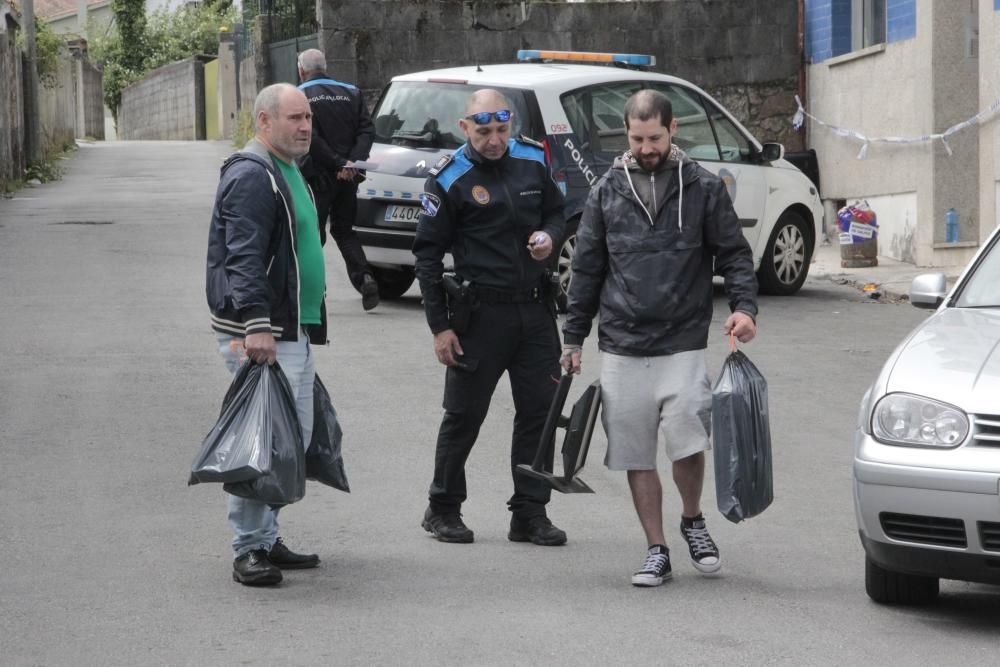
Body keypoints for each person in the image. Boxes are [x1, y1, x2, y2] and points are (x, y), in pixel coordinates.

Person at [560, 89, 758, 587]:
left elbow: (734, 254)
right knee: (634, 452)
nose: (646, 147)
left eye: (654, 137)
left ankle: (692, 520)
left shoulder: (705, 188)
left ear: (672, 131)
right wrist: (572, 339)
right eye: (636, 138)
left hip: (683, 340)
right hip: (623, 344)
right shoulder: (606, 191)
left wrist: (744, 308)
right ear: (625, 135)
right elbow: (585, 270)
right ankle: (656, 549)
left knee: (687, 441)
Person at [412, 89, 568, 546]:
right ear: (465, 128)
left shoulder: (534, 159)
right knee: (463, 416)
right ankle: (442, 507)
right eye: (484, 131)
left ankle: (530, 512)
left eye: (502, 130)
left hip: (536, 310)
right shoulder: (448, 179)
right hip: (478, 317)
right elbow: (426, 257)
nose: (494, 140)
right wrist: (439, 327)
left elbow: (559, 212)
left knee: (539, 415)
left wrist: (548, 236)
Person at [206, 83, 327, 586]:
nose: (304, 127)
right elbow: (244, 255)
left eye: (308, 119)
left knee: (287, 440)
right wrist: (257, 323)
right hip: (261, 332)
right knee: (262, 441)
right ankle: (247, 549)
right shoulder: (253, 175)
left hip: (289, 328)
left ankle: (265, 536)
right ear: (263, 121)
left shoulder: (288, 169)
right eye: (294, 118)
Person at [296, 48, 379, 311]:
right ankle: (365, 277)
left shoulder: (300, 96)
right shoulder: (352, 92)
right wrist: (352, 163)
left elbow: (311, 137)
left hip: (318, 177)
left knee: (312, 234)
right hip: (348, 177)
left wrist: (337, 162)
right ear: (326, 66)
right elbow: (366, 130)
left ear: (301, 70)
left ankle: (313, 289)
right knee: (344, 230)